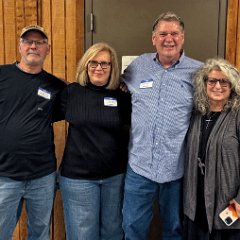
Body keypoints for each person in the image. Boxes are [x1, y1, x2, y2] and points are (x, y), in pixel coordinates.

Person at [121, 11, 202, 240]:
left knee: (174, 231)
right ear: (153, 39)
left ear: (183, 38)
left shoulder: (199, 72)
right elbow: (118, 86)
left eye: (174, 33)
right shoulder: (138, 66)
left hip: (176, 169)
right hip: (139, 167)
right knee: (132, 229)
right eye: (163, 33)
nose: (169, 39)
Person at [59, 42, 131, 240]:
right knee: (82, 235)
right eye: (93, 63)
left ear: (112, 68)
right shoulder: (71, 93)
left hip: (114, 178)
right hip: (77, 179)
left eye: (105, 64)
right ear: (86, 65)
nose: (99, 68)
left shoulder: (123, 97)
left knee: (113, 233)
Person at [0, 25, 66, 239]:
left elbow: (81, 98)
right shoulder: (2, 75)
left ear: (48, 49)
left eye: (39, 42)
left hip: (42, 175)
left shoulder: (55, 86)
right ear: (20, 47)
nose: (33, 46)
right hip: (5, 175)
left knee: (39, 234)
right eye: (28, 41)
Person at [183, 58, 240, 240]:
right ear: (204, 83)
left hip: (228, 204)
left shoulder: (237, 116)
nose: (218, 86)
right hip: (195, 201)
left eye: (224, 81)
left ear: (232, 86)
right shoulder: (196, 114)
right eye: (212, 80)